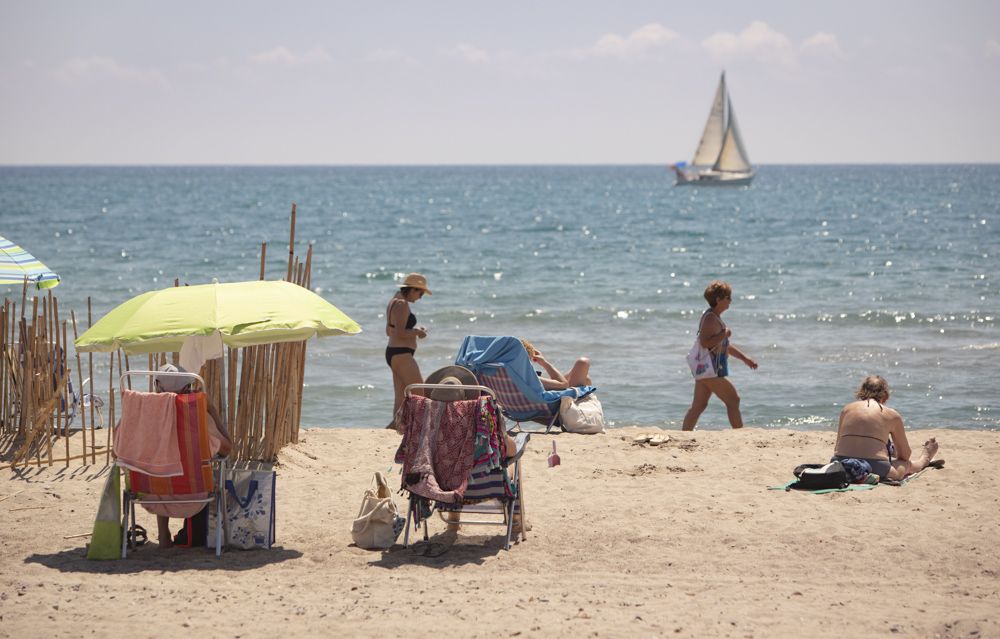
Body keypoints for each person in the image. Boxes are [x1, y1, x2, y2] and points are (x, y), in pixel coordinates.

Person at [153, 364, 232, 548]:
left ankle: (163, 535)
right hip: (195, 494)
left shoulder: (144, 415)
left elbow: (117, 452)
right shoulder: (198, 414)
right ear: (188, 387)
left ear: (156, 385)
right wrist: (210, 408)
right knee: (179, 470)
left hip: (152, 495)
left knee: (161, 469)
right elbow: (227, 449)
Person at [831, 375, 940, 481]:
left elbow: (837, 447)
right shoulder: (892, 415)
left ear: (861, 392)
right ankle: (925, 458)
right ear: (886, 395)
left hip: (841, 464)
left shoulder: (846, 410)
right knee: (906, 464)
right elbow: (905, 455)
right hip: (875, 467)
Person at [682, 280, 758, 430]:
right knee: (733, 400)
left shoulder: (714, 317)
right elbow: (705, 343)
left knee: (699, 405)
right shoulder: (710, 319)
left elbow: (724, 346)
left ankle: (685, 434)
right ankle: (739, 433)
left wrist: (745, 359)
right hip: (710, 370)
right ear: (718, 299)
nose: (730, 300)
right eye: (728, 297)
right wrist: (724, 334)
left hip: (707, 370)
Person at [385, 273, 431, 431]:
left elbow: (389, 331)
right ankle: (417, 428)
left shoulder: (393, 302)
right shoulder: (402, 304)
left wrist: (413, 331)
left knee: (400, 396)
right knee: (420, 392)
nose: (420, 297)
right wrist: (418, 332)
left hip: (394, 353)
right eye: (421, 293)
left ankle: (394, 428)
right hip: (401, 353)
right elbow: (400, 333)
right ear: (412, 289)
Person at [520, 338, 592, 390]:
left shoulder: (512, 375)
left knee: (586, 377)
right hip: (559, 402)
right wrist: (544, 363)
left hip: (547, 393)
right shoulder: (528, 378)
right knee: (582, 363)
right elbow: (563, 384)